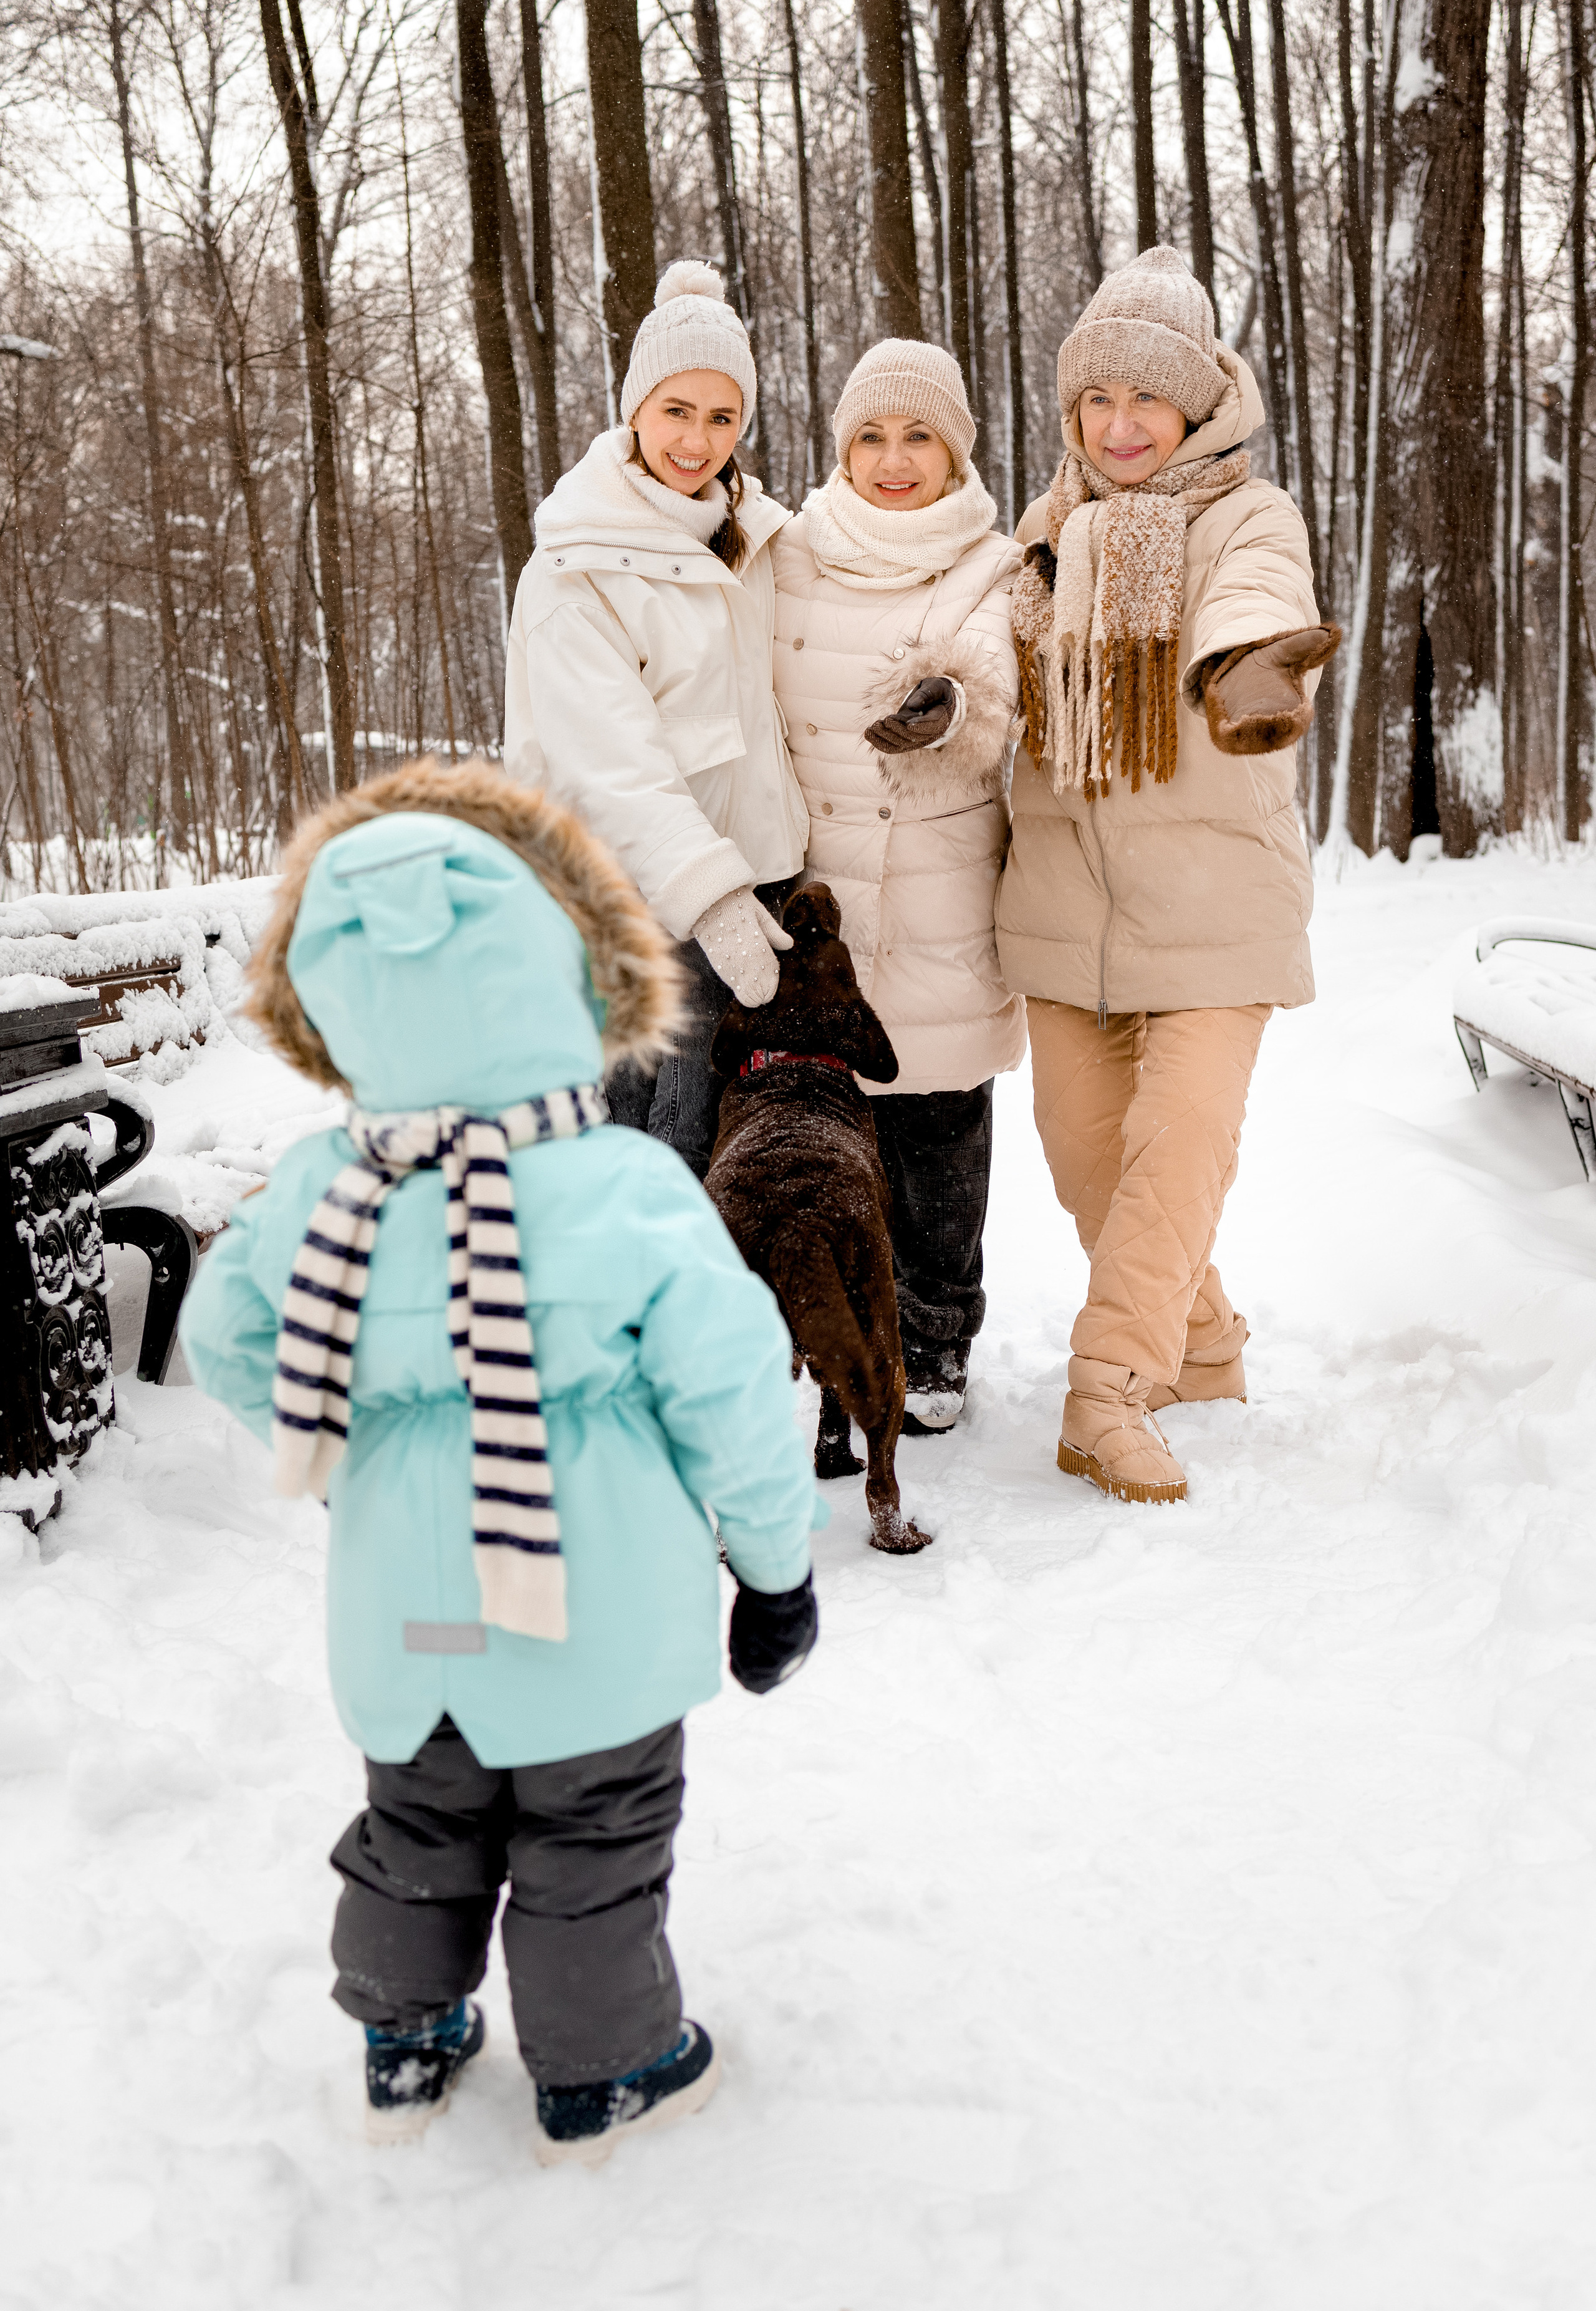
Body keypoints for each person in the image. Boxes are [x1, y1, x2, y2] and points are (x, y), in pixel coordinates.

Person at [180, 761, 822, 2164]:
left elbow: (223, 1332)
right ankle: (603, 2069)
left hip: (405, 1616)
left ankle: (403, 2045)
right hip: (595, 1626)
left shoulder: (320, 1191)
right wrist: (774, 1574)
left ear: (331, 998)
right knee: (592, 1840)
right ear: (570, 969)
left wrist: (350, 1446)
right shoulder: (627, 1191)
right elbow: (729, 1394)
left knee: (417, 1823)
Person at [996, 246, 1337, 1505]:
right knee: (1089, 1163)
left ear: (1196, 406)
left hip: (1210, 909)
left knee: (1177, 1145)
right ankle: (1199, 1347)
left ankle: (1107, 1392)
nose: (1121, 425)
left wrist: (1248, 666)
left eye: (1147, 400)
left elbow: (1250, 598)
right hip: (1062, 912)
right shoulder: (1041, 533)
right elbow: (983, 662)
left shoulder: (1245, 517)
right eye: (1097, 400)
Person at [503, 260, 806, 1179]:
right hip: (640, 924)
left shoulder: (757, 540)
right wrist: (711, 898)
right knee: (648, 1163)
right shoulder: (574, 569)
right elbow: (612, 767)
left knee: (728, 1169)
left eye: (723, 418)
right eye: (678, 410)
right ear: (636, 406)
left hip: (758, 907)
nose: (697, 439)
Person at [771, 341, 1024, 1432]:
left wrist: (946, 709)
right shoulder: (790, 553)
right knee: (834, 1134)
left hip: (940, 888)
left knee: (939, 1128)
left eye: (919, 435)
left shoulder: (993, 562)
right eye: (871, 436)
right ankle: (843, 1331)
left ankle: (936, 1336)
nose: (893, 459)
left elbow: (995, 691)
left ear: (955, 446)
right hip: (818, 898)